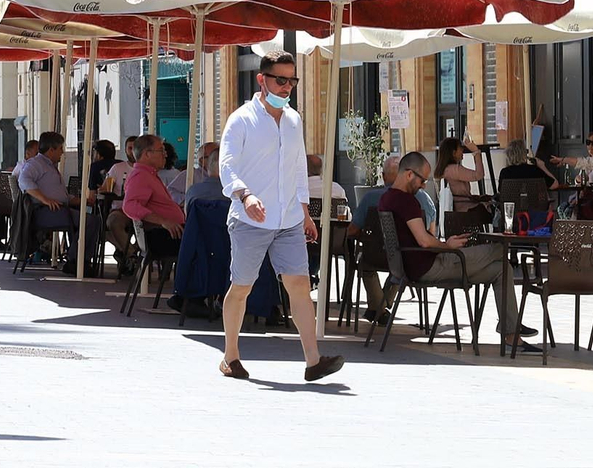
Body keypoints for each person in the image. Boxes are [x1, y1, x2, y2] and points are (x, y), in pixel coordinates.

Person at [217, 51, 342, 383]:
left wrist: (305, 213)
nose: (287, 87)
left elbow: (299, 169)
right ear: (262, 79)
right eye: (281, 80)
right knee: (241, 287)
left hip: (288, 219)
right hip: (250, 219)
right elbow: (226, 166)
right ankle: (230, 356)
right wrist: (245, 195)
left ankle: (313, 361)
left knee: (299, 285)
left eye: (292, 81)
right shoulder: (241, 120)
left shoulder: (293, 120)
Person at [378, 152, 537, 353]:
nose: (423, 186)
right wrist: (448, 246)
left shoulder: (386, 199)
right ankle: (519, 315)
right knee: (499, 248)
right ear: (409, 174)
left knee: (502, 269)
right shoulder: (406, 201)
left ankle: (512, 333)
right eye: (422, 180)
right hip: (431, 266)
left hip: (412, 268)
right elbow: (424, 241)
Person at [17, 131, 97, 275]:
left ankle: (79, 260)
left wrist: (82, 201)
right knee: (89, 221)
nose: (62, 152)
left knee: (91, 220)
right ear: (51, 150)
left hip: (59, 209)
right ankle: (75, 260)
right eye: (60, 148)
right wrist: (45, 199)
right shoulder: (36, 163)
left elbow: (63, 196)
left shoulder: (50, 166)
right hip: (46, 212)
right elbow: (24, 180)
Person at [346, 155, 399, 322]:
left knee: (366, 264)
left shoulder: (370, 198)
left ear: (383, 176)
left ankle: (378, 308)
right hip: (403, 256)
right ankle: (381, 306)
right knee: (402, 269)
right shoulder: (419, 198)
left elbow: (352, 230)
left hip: (373, 256)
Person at [122, 133, 186, 263]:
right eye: (161, 150)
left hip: (169, 233)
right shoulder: (140, 176)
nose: (165, 154)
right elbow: (130, 205)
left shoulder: (148, 174)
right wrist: (164, 221)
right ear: (147, 154)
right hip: (163, 236)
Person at [434, 136, 487, 218]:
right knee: (496, 210)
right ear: (454, 153)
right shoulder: (454, 169)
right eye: (460, 148)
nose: (463, 150)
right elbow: (479, 175)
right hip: (466, 209)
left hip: (452, 210)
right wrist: (476, 152)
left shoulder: (441, 170)